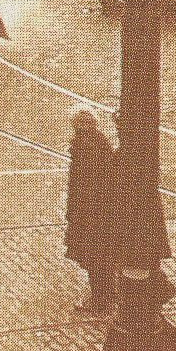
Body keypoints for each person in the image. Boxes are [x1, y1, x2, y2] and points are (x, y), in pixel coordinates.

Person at [65, 109, 118, 313]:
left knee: (95, 257)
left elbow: (82, 185)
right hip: (103, 211)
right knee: (103, 256)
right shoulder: (99, 141)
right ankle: (107, 293)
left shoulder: (84, 148)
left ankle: (100, 299)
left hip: (90, 214)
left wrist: (75, 214)